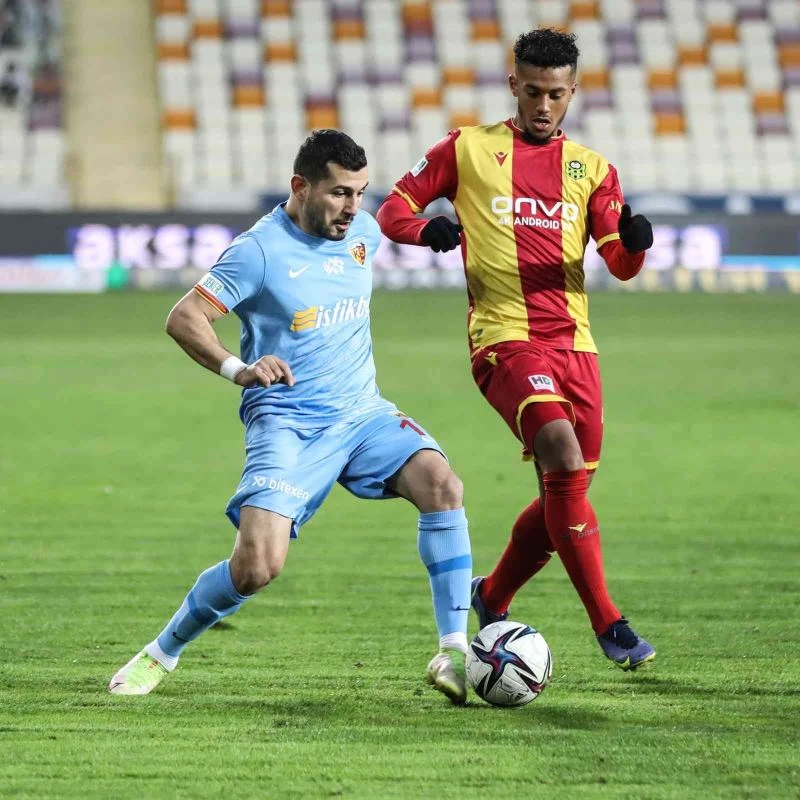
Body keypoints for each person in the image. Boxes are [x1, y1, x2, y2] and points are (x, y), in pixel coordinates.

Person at [109, 129, 473, 703]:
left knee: (442, 484)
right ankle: (161, 652)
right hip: (289, 421)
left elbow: (398, 219)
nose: (353, 208)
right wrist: (239, 369)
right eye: (339, 193)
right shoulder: (258, 251)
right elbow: (184, 317)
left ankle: (454, 651)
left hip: (362, 412)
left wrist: (435, 228)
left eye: (361, 192)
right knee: (256, 566)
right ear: (300, 186)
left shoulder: (362, 232)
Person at [377, 29, 656, 671]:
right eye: (532, 91)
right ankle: (610, 623)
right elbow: (393, 208)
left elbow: (619, 263)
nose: (543, 105)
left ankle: (493, 594)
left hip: (575, 346)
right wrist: (425, 230)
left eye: (556, 94)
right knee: (561, 453)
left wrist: (636, 243)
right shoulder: (467, 148)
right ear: (513, 86)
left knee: (567, 490)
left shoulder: (592, 170)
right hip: (503, 339)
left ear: (572, 92)